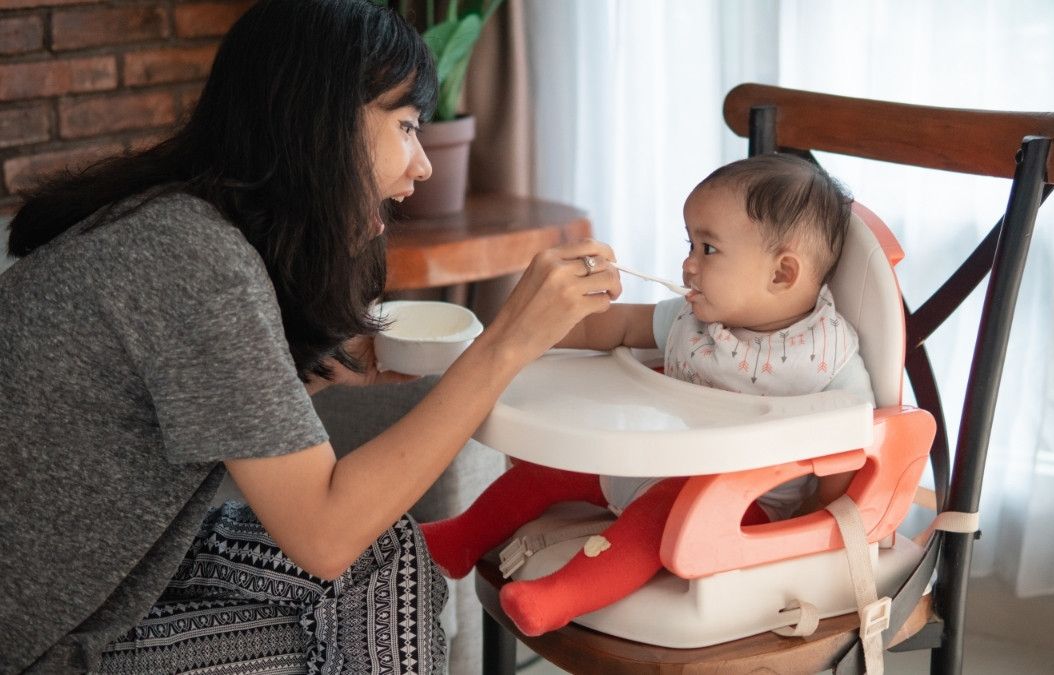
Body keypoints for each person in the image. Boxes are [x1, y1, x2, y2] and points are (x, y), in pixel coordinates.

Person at [0, 1, 622, 672]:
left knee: (392, 560)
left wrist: (316, 365)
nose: (424, 167)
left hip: (118, 578)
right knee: (380, 588)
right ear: (322, 124)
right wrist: (504, 345)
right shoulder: (190, 259)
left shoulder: (181, 227)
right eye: (407, 126)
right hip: (42, 634)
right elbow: (324, 533)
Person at [420, 153, 876, 637]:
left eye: (709, 249)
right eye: (691, 244)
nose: (688, 264)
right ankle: (462, 537)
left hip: (739, 501)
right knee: (549, 470)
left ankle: (560, 595)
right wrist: (530, 331)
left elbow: (848, 436)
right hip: (655, 461)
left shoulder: (826, 355)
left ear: (782, 274)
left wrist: (810, 523)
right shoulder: (693, 320)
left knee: (656, 520)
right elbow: (618, 326)